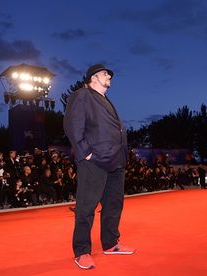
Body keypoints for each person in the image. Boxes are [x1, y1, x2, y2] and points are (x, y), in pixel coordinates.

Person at [63, 64, 134, 270]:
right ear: (93, 77)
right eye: (105, 73)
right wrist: (86, 153)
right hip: (94, 161)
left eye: (109, 74)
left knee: (114, 204)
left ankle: (111, 244)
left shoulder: (106, 100)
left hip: (116, 160)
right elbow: (72, 125)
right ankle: (82, 251)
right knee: (86, 208)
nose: (109, 76)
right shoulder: (82, 95)